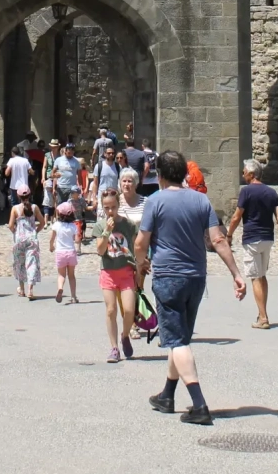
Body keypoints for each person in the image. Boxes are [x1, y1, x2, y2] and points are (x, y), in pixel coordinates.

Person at [135, 149, 246, 425]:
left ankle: (199, 404)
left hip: (168, 277)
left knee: (178, 341)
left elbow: (140, 242)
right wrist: (236, 273)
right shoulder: (201, 200)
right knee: (179, 336)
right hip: (196, 278)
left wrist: (140, 264)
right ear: (185, 173)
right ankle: (167, 395)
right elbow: (218, 240)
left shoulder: (155, 201)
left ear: (160, 175)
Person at [226, 159, 278, 329]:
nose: (243, 175)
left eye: (244, 172)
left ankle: (263, 317)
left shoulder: (246, 191)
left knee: (255, 277)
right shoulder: (271, 192)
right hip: (267, 238)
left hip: (252, 238)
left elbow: (237, 216)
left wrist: (229, 234)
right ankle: (263, 313)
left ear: (252, 174)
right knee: (262, 275)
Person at [93, 187, 139, 362]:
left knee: (129, 310)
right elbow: (100, 250)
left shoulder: (128, 225)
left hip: (126, 271)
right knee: (111, 309)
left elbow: (135, 248)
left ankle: (125, 335)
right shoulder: (100, 225)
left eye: (113, 207)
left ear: (119, 205)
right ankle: (114, 348)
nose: (110, 211)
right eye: (106, 207)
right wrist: (106, 231)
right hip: (108, 272)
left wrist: (139, 267)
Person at [9, 185, 44, 300]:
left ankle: (21, 288)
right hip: (31, 239)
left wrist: (15, 232)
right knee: (31, 262)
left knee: (20, 263)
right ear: (30, 195)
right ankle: (30, 289)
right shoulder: (34, 208)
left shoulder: (15, 209)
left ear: (18, 196)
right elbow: (42, 222)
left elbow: (10, 225)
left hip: (19, 239)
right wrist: (35, 231)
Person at [50, 201, 79, 303]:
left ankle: (60, 288)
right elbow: (77, 240)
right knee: (71, 276)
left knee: (61, 275)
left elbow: (52, 239)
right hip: (71, 252)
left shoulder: (56, 225)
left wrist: (51, 246)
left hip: (60, 253)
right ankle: (73, 296)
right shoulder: (73, 226)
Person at [91, 144, 119, 213]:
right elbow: (95, 183)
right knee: (101, 217)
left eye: (112, 153)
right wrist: (94, 198)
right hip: (102, 197)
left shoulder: (118, 167)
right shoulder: (99, 166)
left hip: (114, 197)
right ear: (105, 154)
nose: (111, 154)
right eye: (109, 153)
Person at [42, 138, 61, 220]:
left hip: (57, 177)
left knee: (56, 197)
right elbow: (44, 167)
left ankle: (57, 216)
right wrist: (43, 178)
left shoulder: (60, 156)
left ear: (58, 147)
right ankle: (49, 216)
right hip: (49, 177)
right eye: (52, 147)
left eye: (55, 147)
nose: (53, 148)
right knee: (48, 198)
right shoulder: (47, 155)